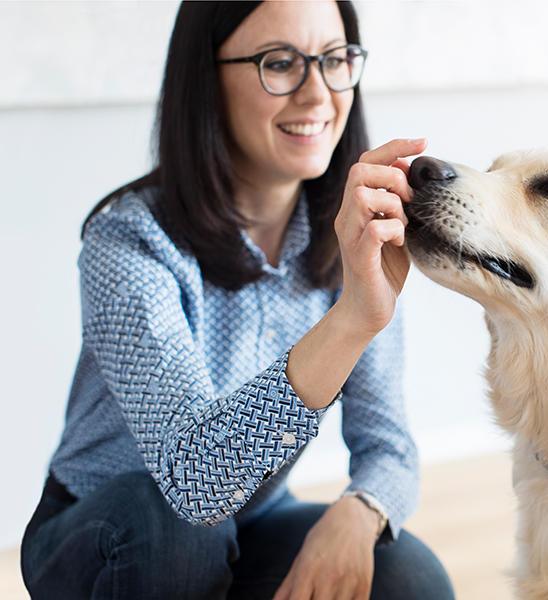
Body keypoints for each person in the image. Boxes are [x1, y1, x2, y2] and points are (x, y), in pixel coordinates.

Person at [20, 2, 455, 598]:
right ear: (205, 79)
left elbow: (390, 448)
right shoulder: (127, 240)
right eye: (280, 63)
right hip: (107, 529)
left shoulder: (348, 236)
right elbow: (194, 483)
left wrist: (360, 512)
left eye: (334, 60)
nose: (316, 95)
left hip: (250, 518)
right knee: (175, 528)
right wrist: (353, 319)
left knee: (409, 578)